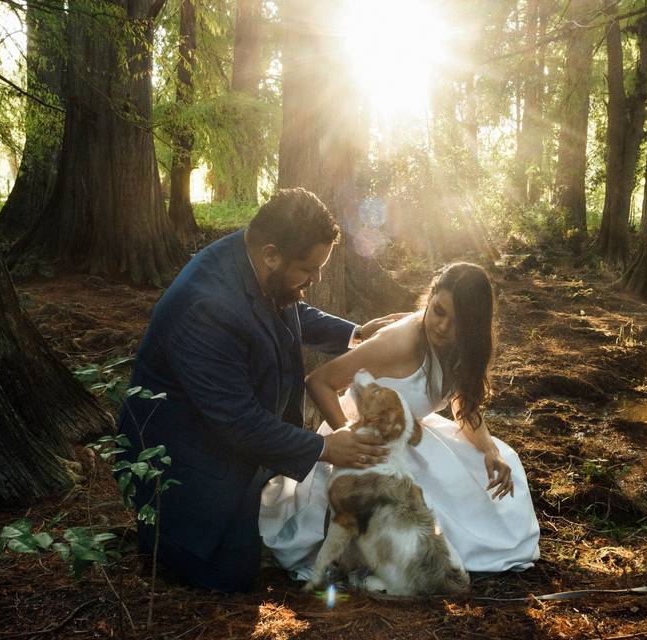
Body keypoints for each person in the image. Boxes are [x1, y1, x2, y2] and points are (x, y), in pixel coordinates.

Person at [119, 188, 396, 592]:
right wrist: (323, 448)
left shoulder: (256, 263)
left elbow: (290, 304)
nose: (316, 279)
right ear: (271, 254)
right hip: (185, 461)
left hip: (230, 441)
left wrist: (354, 334)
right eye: (309, 268)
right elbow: (237, 421)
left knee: (279, 542)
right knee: (232, 577)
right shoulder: (207, 307)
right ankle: (171, 537)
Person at [260, 263, 540, 579]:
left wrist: (489, 450)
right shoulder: (399, 342)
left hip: (413, 437)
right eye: (439, 311)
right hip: (370, 445)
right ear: (430, 296)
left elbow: (463, 402)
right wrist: (347, 438)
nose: (444, 327)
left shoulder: (460, 348)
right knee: (423, 519)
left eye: (458, 322)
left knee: (503, 464)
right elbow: (319, 381)